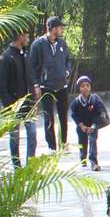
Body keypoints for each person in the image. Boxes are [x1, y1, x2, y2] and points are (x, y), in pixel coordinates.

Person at [29, 15, 73, 151]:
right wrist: (36, 84)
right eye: (60, 27)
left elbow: (68, 60)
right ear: (53, 28)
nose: (62, 30)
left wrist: (67, 71)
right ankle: (52, 146)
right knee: (49, 118)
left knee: (63, 116)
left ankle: (64, 143)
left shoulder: (62, 43)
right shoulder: (38, 44)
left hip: (62, 86)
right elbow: (32, 66)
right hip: (46, 86)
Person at [0, 29, 36, 168]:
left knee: (32, 134)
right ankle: (17, 168)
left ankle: (30, 167)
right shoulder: (6, 57)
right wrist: (10, 106)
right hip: (13, 105)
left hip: (27, 104)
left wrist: (34, 97)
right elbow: (1, 87)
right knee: (15, 138)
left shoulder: (25, 54)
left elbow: (29, 78)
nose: (28, 38)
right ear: (20, 36)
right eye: (27, 35)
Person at [69, 75, 108, 169]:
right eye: (82, 86)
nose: (85, 87)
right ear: (79, 88)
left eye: (87, 85)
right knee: (82, 142)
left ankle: (94, 162)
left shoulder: (95, 100)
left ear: (90, 87)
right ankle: (83, 159)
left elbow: (101, 113)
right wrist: (81, 126)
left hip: (93, 125)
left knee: (92, 141)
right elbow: (74, 114)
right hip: (81, 126)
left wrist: (94, 126)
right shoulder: (76, 102)